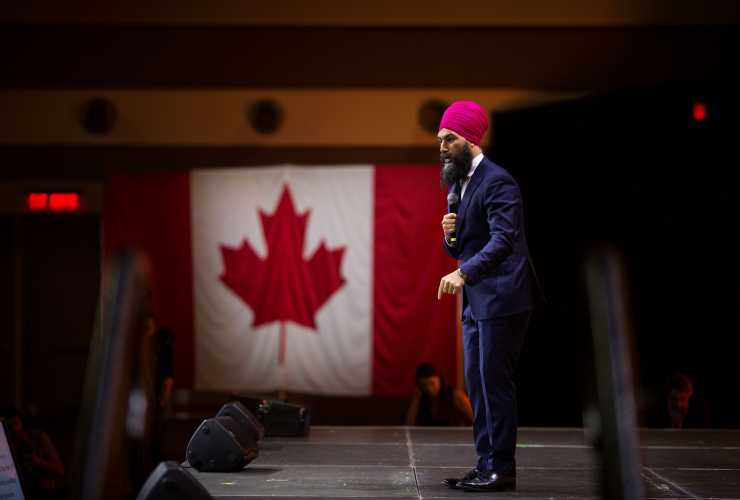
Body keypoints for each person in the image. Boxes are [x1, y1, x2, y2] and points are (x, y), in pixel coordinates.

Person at [436, 101, 545, 492]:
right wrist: (451, 234)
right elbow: (462, 246)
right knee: (477, 384)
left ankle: (503, 468)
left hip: (503, 296)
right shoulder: (462, 184)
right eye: (440, 140)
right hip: (478, 298)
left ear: (470, 139)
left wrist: (463, 272)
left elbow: (503, 241)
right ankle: (486, 465)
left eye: (449, 139)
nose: (443, 147)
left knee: (494, 382)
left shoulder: (498, 180)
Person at [0, 404, 65, 498]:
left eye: (16, 423)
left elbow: (60, 469)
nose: (14, 428)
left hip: (47, 493)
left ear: (21, 422)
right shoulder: (3, 448)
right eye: (9, 425)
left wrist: (38, 461)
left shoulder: (38, 437)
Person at [405, 363, 474, 427]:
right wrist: (415, 399)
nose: (429, 389)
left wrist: (464, 435)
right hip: (428, 438)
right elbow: (409, 427)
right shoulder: (422, 398)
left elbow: (479, 420)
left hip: (453, 438)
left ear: (439, 380)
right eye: (424, 385)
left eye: (432, 383)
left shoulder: (454, 395)